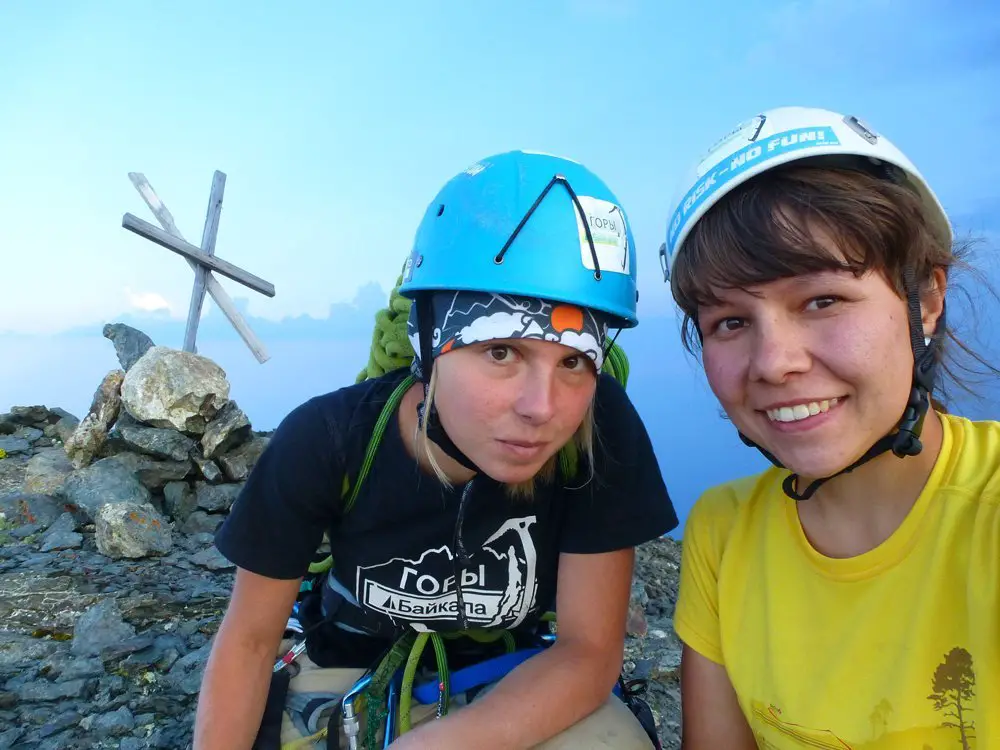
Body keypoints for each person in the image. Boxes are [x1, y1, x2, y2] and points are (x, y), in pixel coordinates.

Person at [193, 149, 680, 749]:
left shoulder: (599, 430)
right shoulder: (328, 439)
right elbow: (248, 640)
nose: (542, 407)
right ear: (427, 341)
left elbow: (588, 651)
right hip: (347, 670)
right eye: (500, 352)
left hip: (518, 676)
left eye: (576, 361)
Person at [659, 105, 1000, 749]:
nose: (774, 363)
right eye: (729, 321)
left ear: (925, 301)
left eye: (822, 300)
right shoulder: (723, 534)